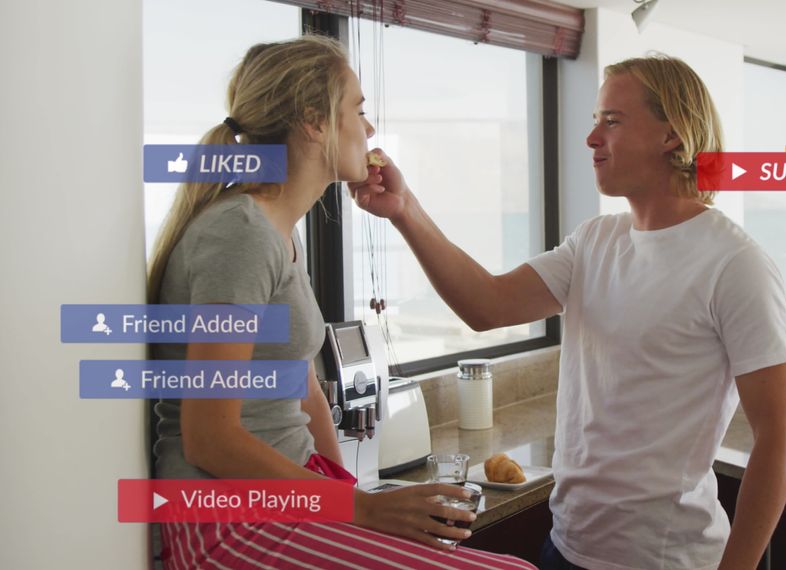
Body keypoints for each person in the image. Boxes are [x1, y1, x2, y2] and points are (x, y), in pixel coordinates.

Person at [349, 54, 786, 569]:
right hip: (567, 547)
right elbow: (486, 304)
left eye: (612, 121)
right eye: (594, 121)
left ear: (671, 136)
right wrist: (405, 211)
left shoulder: (734, 262)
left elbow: (781, 435)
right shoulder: (594, 241)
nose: (591, 138)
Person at [149, 35, 534, 570]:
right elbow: (209, 439)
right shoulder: (239, 235)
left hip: (286, 494)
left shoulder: (279, 232)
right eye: (358, 109)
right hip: (227, 519)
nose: (369, 128)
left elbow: (300, 384)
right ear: (315, 121)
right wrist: (361, 512)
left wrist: (350, 499)